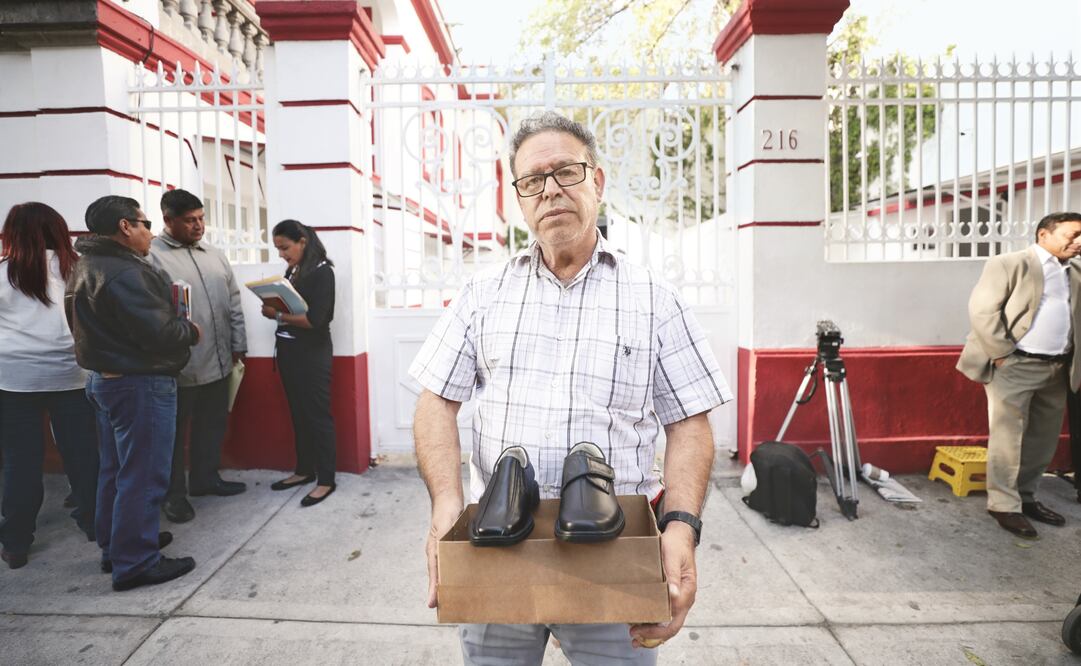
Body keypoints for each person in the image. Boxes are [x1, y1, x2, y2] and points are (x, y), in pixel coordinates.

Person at [410, 111, 731, 663]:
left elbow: (689, 422)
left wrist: (681, 526)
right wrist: (446, 503)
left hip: (614, 552)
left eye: (566, 172)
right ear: (519, 197)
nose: (550, 189)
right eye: (533, 180)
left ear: (597, 182)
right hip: (499, 542)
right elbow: (436, 400)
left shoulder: (655, 298)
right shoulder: (482, 293)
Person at [66, 195, 201, 591]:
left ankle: (118, 546)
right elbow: (159, 333)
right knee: (143, 474)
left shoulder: (86, 265)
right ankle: (136, 562)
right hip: (138, 383)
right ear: (125, 227)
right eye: (144, 224)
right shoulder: (124, 272)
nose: (151, 231)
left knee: (116, 471)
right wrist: (189, 330)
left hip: (105, 381)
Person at [957, 211, 1081, 538]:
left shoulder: (1076, 271)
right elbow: (982, 311)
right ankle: (1003, 505)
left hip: (1057, 368)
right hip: (1015, 365)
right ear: (1044, 235)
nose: (1079, 242)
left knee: (1042, 439)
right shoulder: (1010, 263)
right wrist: (1001, 356)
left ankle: (1025, 498)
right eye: (1073, 234)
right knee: (1007, 438)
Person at [0, 202, 99, 569]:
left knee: (20, 461)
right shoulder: (77, 268)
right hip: (71, 374)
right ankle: (95, 524)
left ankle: (15, 542)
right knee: (84, 454)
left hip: (13, 380)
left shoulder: (4, 272)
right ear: (58, 229)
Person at [148, 189, 248, 524]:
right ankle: (173, 496)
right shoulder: (152, 256)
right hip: (180, 367)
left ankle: (206, 479)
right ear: (168, 220)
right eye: (190, 220)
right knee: (173, 436)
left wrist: (239, 343)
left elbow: (233, 302)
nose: (198, 226)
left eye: (201, 218)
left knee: (212, 425)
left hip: (219, 362)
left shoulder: (215, 255)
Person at [261, 219, 337, 507]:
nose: (282, 254)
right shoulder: (293, 270)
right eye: (278, 249)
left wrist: (277, 315)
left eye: (285, 247)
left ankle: (326, 479)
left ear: (302, 241)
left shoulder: (322, 272)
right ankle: (304, 471)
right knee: (298, 413)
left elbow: (316, 320)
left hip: (312, 356)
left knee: (317, 415)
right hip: (289, 352)